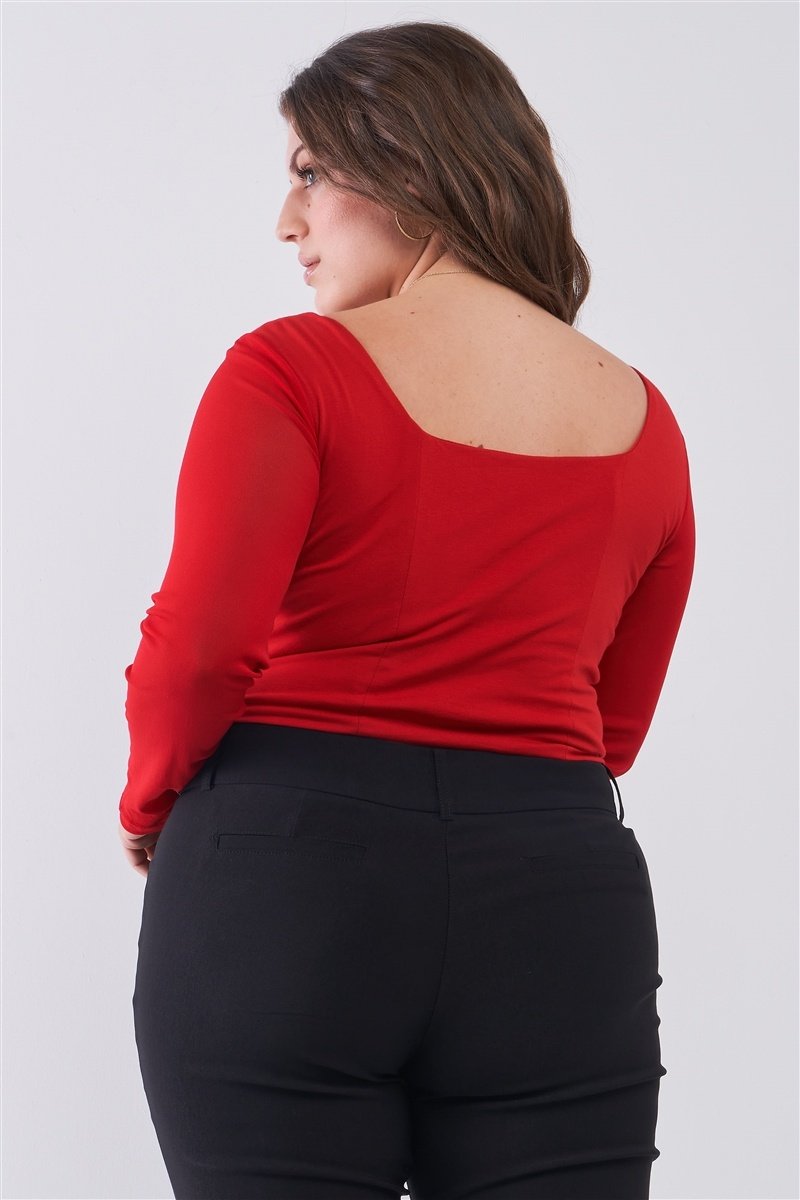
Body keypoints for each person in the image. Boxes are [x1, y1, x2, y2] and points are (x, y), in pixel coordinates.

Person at [119, 19, 695, 1200]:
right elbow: (612, 724)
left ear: (408, 164)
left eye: (308, 173)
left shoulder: (290, 371)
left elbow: (199, 654)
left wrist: (152, 801)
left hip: (286, 878)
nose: (286, 222)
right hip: (553, 890)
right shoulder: (641, 419)